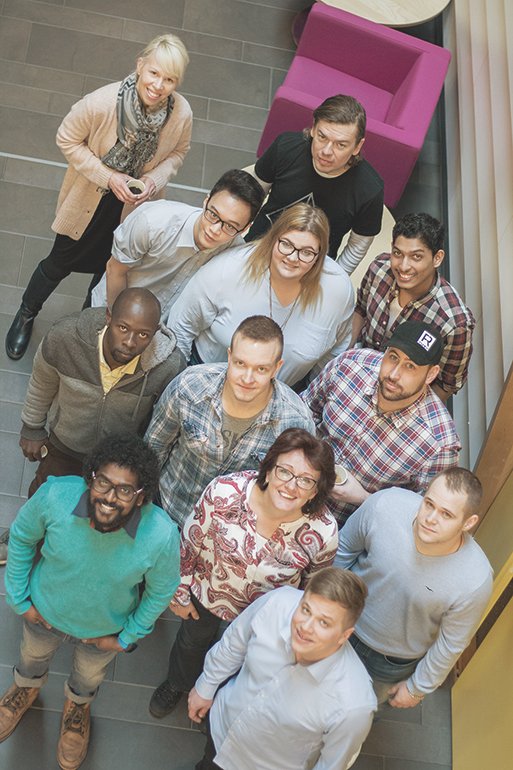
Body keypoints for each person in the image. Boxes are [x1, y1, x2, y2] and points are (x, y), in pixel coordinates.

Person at [6, 33, 192, 360]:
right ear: (140, 66)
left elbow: (178, 152)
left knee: (109, 270)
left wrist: (152, 179)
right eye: (153, 73)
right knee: (58, 263)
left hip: (134, 207)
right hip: (89, 202)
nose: (158, 85)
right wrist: (109, 177)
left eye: (169, 79)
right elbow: (67, 139)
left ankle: (83, 325)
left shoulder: (181, 114)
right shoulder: (102, 102)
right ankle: (26, 314)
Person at [0, 435, 180, 770]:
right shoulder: (55, 494)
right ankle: (24, 689)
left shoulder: (161, 535)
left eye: (125, 490)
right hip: (43, 614)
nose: (110, 498)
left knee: (87, 676)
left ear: (141, 497)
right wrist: (19, 598)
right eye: (103, 483)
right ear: (90, 479)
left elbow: (161, 591)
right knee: (31, 657)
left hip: (101, 633)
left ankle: (77, 708)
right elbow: (22, 538)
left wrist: (127, 638)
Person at [149, 428, 339, 718]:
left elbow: (312, 587)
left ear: (317, 489)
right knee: (191, 643)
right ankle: (179, 682)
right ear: (269, 467)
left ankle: (218, 701)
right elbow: (189, 542)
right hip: (206, 594)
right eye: (285, 471)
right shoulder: (224, 491)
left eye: (306, 480)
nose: (291, 486)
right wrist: (180, 593)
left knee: (242, 660)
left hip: (262, 615)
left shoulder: (323, 532)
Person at [335, 468, 493, 710]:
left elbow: (450, 644)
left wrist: (417, 688)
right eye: (429, 503)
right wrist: (318, 604)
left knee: (357, 712)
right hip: (338, 622)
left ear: (468, 523)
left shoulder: (476, 580)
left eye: (446, 514)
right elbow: (344, 549)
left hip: (389, 661)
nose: (430, 518)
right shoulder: (385, 504)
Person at [189, 568, 376, 770]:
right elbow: (235, 642)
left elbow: (331, 764)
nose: (305, 627)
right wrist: (206, 686)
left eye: (324, 622)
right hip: (222, 730)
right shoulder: (277, 603)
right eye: (306, 610)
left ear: (344, 635)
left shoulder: (354, 706)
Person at [145, 315, 315, 528]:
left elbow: (291, 492)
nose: (247, 377)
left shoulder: (296, 421)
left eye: (261, 369)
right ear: (229, 356)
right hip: (167, 513)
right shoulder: (189, 386)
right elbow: (154, 448)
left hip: (232, 537)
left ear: (276, 368)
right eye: (240, 363)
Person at [20, 287, 185, 498]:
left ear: (155, 332)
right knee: (44, 498)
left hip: (119, 458)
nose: (130, 342)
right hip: (65, 444)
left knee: (100, 517)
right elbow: (43, 380)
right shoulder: (65, 338)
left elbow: (166, 423)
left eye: (143, 334)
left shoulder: (169, 366)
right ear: (109, 317)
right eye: (123, 328)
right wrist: (32, 427)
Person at [167, 203, 354, 387]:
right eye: (286, 244)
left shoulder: (338, 291)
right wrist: (182, 385)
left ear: (320, 256)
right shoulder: (228, 268)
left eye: (306, 252)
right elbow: (180, 325)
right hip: (207, 379)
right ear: (273, 239)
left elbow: (334, 353)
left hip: (282, 393)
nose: (292, 257)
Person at [302, 320, 460, 526]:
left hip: (343, 530)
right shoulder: (350, 365)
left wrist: (364, 498)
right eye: (393, 357)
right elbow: (303, 409)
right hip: (292, 489)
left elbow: (421, 519)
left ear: (431, 374)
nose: (394, 374)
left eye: (410, 366)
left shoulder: (439, 445)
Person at [91, 169, 265, 313]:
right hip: (113, 307)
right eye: (213, 214)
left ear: (244, 229)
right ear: (206, 201)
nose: (215, 230)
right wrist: (116, 320)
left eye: (230, 226)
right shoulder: (152, 222)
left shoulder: (234, 255)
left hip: (162, 330)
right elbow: (115, 270)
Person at [246, 94, 384, 269]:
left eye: (340, 145)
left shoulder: (370, 190)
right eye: (322, 137)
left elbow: (356, 248)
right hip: (257, 246)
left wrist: (332, 281)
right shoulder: (285, 147)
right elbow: (251, 195)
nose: (326, 151)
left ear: (357, 146)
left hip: (311, 269)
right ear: (313, 129)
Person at [351, 212, 475, 401]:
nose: (403, 266)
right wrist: (345, 356)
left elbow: (446, 383)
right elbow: (360, 309)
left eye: (416, 257)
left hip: (400, 399)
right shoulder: (379, 269)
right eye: (398, 253)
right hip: (357, 369)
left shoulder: (454, 323)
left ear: (437, 258)